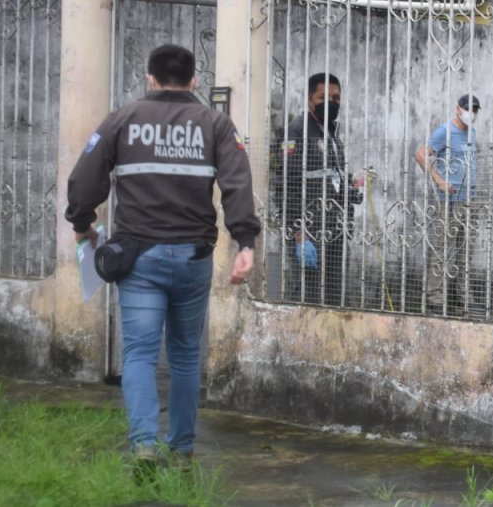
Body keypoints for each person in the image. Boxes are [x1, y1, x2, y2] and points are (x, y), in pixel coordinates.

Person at [65, 44, 260, 475]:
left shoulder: (122, 120)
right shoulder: (216, 124)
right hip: (193, 258)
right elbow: (237, 183)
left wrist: (82, 224)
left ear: (149, 78)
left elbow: (83, 182)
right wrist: (244, 243)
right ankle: (183, 450)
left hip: (138, 258)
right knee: (186, 356)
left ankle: (144, 447)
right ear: (193, 81)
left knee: (138, 353)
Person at [273, 72, 360, 307]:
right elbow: (284, 184)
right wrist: (298, 233)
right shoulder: (297, 131)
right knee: (306, 297)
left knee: (334, 296)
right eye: (324, 97)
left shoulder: (332, 132)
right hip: (309, 231)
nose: (331, 103)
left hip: (334, 228)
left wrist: (350, 186)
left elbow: (331, 175)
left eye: (336, 98)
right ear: (310, 100)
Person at [415, 94, 481, 315]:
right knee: (443, 248)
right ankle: (435, 298)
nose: (471, 113)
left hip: (469, 200)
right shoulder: (445, 131)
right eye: (468, 108)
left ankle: (464, 298)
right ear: (458, 109)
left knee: (466, 251)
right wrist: (439, 180)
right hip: (449, 201)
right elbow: (421, 155)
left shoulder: (471, 132)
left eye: (475, 109)